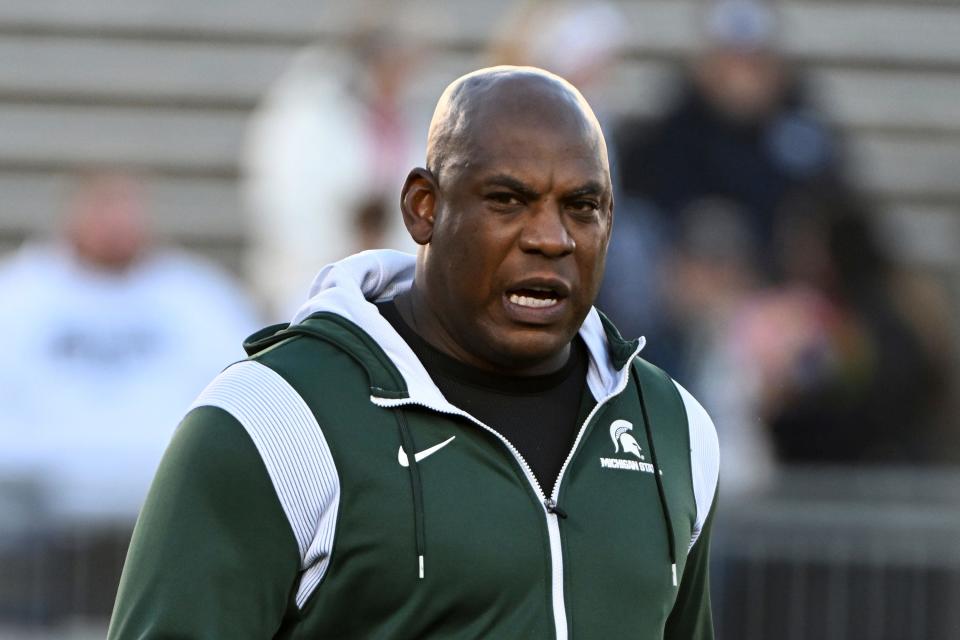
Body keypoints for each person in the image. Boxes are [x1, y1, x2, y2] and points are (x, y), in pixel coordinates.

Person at [109, 67, 719, 639]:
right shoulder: (272, 420)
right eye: (508, 200)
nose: (549, 238)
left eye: (581, 207)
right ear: (423, 207)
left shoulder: (673, 429)